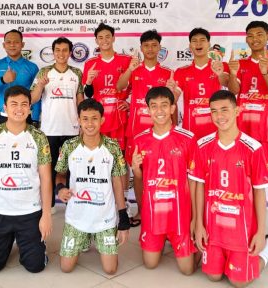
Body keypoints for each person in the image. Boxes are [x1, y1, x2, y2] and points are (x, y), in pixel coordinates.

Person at [193, 90, 268, 288]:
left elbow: (259, 192)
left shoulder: (253, 148)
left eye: (224, 109)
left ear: (237, 111)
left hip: (242, 230)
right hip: (214, 228)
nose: (219, 116)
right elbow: (199, 187)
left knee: (238, 283)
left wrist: (260, 232)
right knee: (213, 276)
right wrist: (199, 225)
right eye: (214, 111)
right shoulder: (203, 145)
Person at [0, 86, 52, 274]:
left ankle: (30, 245)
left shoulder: (39, 137)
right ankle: (6, 241)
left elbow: (46, 178)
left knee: (36, 266)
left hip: (29, 211)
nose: (19, 109)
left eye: (24, 104)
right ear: (5, 108)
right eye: (14, 104)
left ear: (30, 108)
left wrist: (46, 215)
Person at [227, 21, 268, 255]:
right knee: (243, 182)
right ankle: (248, 229)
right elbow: (234, 91)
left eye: (259, 34)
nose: (255, 39)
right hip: (243, 133)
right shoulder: (241, 64)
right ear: (246, 39)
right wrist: (232, 73)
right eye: (251, 35)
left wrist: (265, 72)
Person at [55, 99, 130, 274]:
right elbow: (60, 174)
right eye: (85, 119)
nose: (90, 123)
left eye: (94, 118)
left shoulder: (112, 147)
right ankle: (85, 237)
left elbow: (117, 182)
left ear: (102, 120)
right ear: (79, 121)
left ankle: (96, 235)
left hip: (104, 218)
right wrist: (60, 189)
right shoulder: (69, 146)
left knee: (110, 269)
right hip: (77, 217)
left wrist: (123, 217)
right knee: (66, 267)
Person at [131, 87, 197, 275]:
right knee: (150, 264)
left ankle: (196, 247)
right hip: (154, 214)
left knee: (187, 270)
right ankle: (161, 239)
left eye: (164, 105)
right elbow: (139, 179)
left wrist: (195, 217)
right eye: (154, 106)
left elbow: (194, 181)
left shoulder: (188, 139)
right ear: (148, 110)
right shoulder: (140, 140)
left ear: (173, 108)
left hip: (180, 214)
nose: (159, 111)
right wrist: (135, 170)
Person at [116, 30, 177, 225]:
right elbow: (119, 87)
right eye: (146, 45)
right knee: (138, 171)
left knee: (163, 172)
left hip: (161, 132)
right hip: (136, 131)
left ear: (160, 48)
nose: (150, 49)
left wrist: (174, 129)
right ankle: (142, 212)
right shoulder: (134, 69)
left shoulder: (168, 72)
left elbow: (173, 103)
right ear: (141, 48)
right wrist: (129, 70)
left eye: (154, 45)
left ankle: (162, 211)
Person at [31, 37, 84, 209]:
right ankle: (50, 204)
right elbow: (33, 99)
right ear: (53, 52)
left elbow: (80, 101)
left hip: (72, 129)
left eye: (65, 50)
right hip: (49, 130)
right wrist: (40, 85)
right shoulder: (44, 72)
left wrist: (82, 124)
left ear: (70, 53)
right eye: (58, 50)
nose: (61, 54)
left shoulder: (76, 73)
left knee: (72, 168)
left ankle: (72, 202)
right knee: (49, 167)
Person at [173, 28, 229, 138]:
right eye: (194, 41)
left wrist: (220, 74)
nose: (198, 43)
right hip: (190, 130)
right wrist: (170, 92)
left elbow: (227, 84)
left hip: (216, 129)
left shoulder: (220, 66)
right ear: (190, 46)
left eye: (202, 40)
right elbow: (174, 98)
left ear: (209, 44)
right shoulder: (181, 71)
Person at [82, 23, 131, 150]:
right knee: (101, 153)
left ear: (113, 38)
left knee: (119, 155)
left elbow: (135, 86)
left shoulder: (126, 60)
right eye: (101, 37)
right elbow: (88, 94)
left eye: (108, 37)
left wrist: (130, 104)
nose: (104, 40)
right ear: (96, 41)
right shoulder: (90, 63)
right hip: (99, 116)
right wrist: (89, 81)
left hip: (119, 115)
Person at [0, 30, 39, 127]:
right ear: (4, 45)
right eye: (8, 42)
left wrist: (35, 119)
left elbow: (37, 95)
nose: (12, 45)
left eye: (16, 42)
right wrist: (2, 80)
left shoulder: (32, 67)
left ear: (22, 44)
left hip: (23, 116)